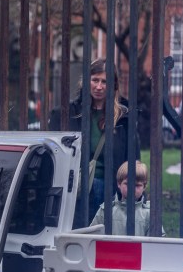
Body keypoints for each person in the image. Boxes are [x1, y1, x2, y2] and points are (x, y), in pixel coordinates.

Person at [48, 58, 140, 226]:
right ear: (86, 81)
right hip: (75, 190)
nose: (99, 87)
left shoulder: (123, 118)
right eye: (95, 80)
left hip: (109, 189)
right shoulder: (67, 113)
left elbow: (133, 160)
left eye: (104, 82)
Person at [90, 161, 165, 237]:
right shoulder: (106, 209)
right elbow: (92, 237)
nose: (132, 188)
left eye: (137, 185)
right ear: (119, 184)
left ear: (144, 187)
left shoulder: (150, 213)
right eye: (127, 184)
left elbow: (157, 244)